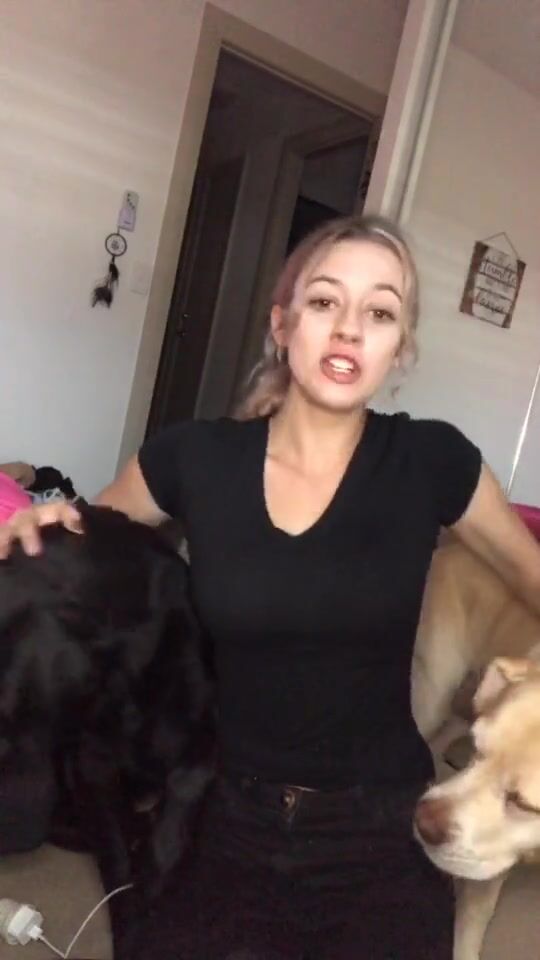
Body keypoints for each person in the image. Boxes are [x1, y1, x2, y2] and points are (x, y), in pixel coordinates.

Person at [3, 215, 540, 960]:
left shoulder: (433, 460)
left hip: (378, 822)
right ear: (282, 325)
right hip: (222, 807)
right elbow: (89, 547)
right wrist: (44, 519)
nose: (349, 328)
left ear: (399, 348)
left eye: (380, 312)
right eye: (324, 302)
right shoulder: (193, 456)